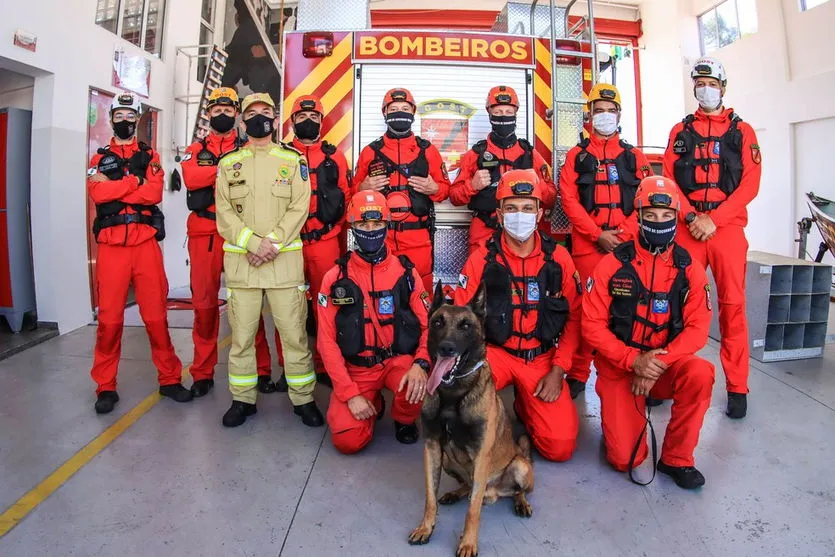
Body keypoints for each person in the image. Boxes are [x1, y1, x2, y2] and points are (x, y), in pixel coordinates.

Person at [582, 176, 714, 489]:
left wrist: (656, 364)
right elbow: (591, 325)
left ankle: (677, 459)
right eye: (651, 216)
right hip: (619, 367)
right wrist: (633, 361)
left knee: (700, 372)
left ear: (676, 216)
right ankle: (622, 419)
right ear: (638, 216)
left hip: (665, 365)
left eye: (667, 216)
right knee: (624, 460)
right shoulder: (612, 264)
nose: (659, 222)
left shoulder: (690, 268)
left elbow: (698, 330)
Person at [454, 169, 582, 462]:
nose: (519, 215)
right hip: (495, 356)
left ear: (539, 214)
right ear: (499, 215)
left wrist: (559, 369)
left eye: (527, 208)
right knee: (462, 414)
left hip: (541, 359)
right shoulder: (481, 259)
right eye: (511, 208)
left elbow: (574, 319)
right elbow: (460, 319)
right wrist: (463, 370)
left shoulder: (559, 259)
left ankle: (527, 404)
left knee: (559, 448)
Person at [214, 92, 323, 428]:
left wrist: (270, 243)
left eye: (265, 112)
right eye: (251, 113)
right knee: (243, 338)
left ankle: (303, 399)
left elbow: (299, 207)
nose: (258, 118)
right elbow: (224, 211)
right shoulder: (227, 163)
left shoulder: (293, 161)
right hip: (243, 266)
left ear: (275, 121)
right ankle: (243, 400)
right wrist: (250, 242)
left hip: (283, 266)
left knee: (294, 337)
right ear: (242, 121)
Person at [663, 56, 761, 419]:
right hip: (689, 227)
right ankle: (666, 375)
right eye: (700, 83)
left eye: (712, 84)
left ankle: (737, 385)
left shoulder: (742, 132)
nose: (706, 89)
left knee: (733, 306)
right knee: (674, 301)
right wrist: (691, 216)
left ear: (722, 87)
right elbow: (670, 179)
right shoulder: (681, 131)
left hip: (728, 229)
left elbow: (750, 184)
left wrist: (714, 219)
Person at [87, 92, 193, 413]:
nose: (123, 121)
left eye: (129, 116)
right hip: (111, 250)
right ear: (111, 119)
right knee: (108, 321)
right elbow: (98, 193)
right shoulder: (97, 159)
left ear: (137, 119)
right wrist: (134, 183)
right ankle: (105, 386)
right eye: (117, 116)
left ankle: (170, 379)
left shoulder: (151, 156)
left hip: (146, 247)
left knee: (156, 317)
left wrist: (121, 184)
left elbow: (153, 193)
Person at [180, 87, 280, 397]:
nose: (222, 114)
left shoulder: (248, 146)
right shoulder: (196, 148)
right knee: (205, 305)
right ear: (208, 114)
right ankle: (202, 372)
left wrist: (218, 171)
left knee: (249, 304)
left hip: (241, 234)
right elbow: (192, 178)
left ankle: (262, 369)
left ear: (237, 115)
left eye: (228, 109)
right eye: (216, 109)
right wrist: (226, 169)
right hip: (205, 232)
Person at [559, 83, 653, 399]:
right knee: (587, 311)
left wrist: (621, 235)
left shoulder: (634, 157)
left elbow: (644, 198)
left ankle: (632, 367)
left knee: (629, 308)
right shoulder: (576, 156)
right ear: (589, 115)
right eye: (599, 111)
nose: (605, 116)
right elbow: (568, 199)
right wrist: (597, 234)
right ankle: (578, 371)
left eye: (610, 111)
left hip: (627, 247)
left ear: (619, 114)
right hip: (587, 246)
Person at [317, 191, 429, 454]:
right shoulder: (335, 278)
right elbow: (326, 341)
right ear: (352, 227)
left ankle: (404, 420)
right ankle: (371, 402)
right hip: (357, 370)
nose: (370, 230)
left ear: (386, 225)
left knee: (414, 385)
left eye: (377, 224)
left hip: (397, 362)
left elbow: (427, 327)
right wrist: (350, 394)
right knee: (347, 441)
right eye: (363, 224)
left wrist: (421, 363)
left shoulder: (407, 273)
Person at [268, 95, 352, 389]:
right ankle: (288, 367)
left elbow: (346, 198)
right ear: (292, 122)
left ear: (321, 120)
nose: (307, 121)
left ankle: (324, 365)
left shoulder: (335, 157)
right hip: (288, 245)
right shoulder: (278, 155)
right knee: (286, 307)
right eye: (301, 118)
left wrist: (334, 237)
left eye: (313, 117)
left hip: (324, 243)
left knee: (325, 309)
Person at [353, 88, 451, 293]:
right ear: (385, 114)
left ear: (413, 113)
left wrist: (433, 188)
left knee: (421, 301)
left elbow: (445, 191)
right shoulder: (370, 151)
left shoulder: (428, 150)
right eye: (394, 109)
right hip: (380, 240)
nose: (400, 113)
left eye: (405, 108)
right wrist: (363, 188)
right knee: (382, 298)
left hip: (419, 241)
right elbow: (353, 193)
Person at [449, 86, 556, 252]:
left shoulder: (530, 154)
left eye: (508, 112)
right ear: (489, 114)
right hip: (484, 231)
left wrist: (538, 183)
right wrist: (472, 185)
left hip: (524, 236)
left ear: (515, 113)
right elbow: (455, 197)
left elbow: (551, 198)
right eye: (498, 112)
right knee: (481, 276)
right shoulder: (475, 154)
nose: (503, 116)